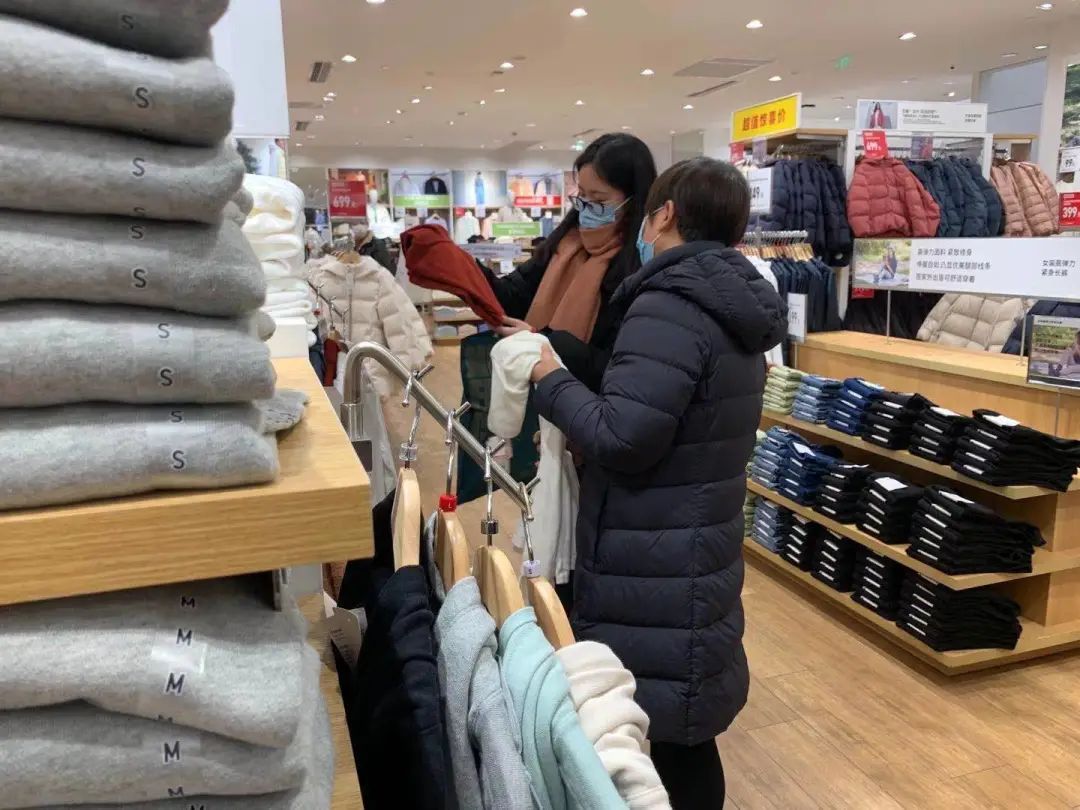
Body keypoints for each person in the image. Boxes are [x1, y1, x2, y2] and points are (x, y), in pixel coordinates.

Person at [529, 157, 787, 809]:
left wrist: (549, 380)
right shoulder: (732, 305)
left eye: (647, 214)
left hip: (653, 552)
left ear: (664, 215)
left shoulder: (668, 303)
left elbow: (623, 435)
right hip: (695, 541)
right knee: (685, 729)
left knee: (660, 733)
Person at [485, 132, 658, 391]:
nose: (586, 207)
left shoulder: (640, 267)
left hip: (587, 403)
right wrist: (463, 269)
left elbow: (618, 368)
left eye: (599, 200)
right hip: (538, 395)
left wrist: (541, 343)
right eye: (582, 196)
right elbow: (513, 294)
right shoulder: (565, 242)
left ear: (635, 200)